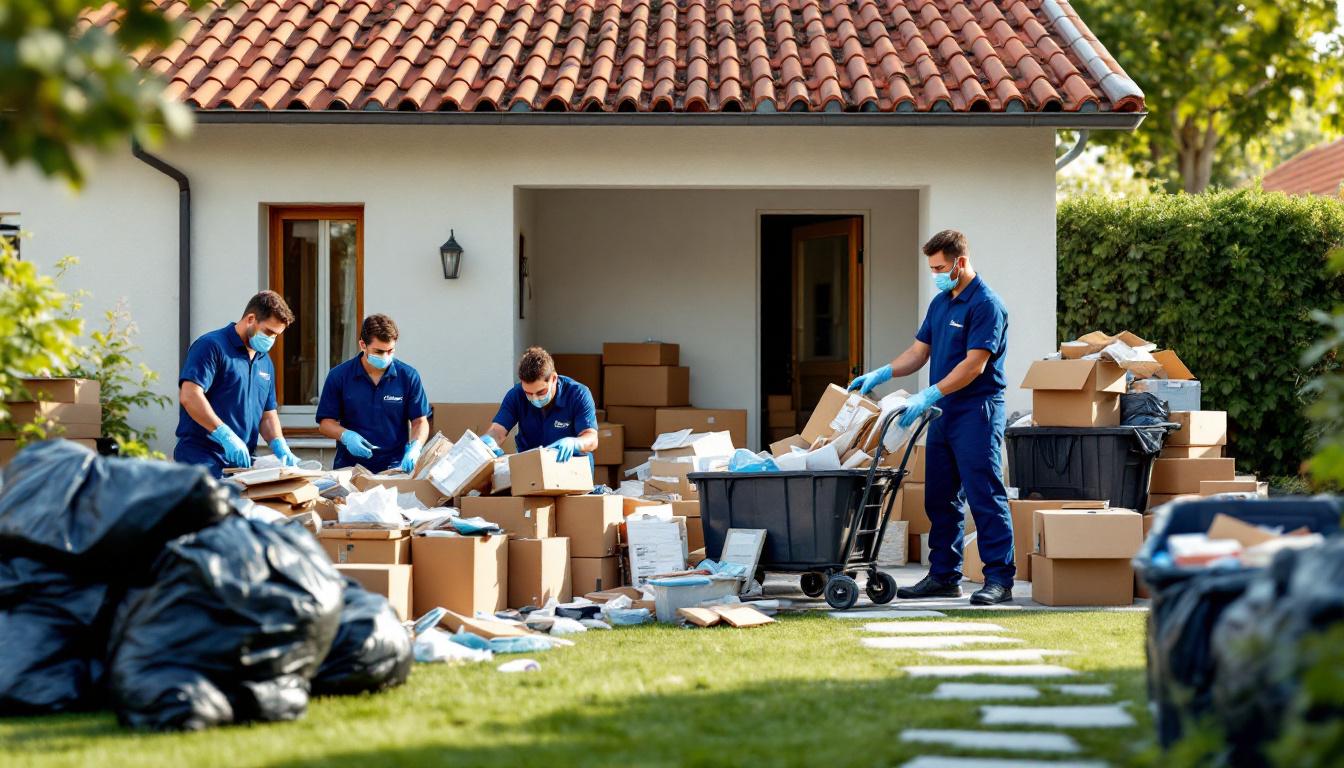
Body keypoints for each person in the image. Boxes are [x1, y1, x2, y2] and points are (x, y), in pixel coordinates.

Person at [849, 229, 1014, 605]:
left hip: (977, 412)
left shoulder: (987, 304)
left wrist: (930, 392)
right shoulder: (941, 302)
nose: (936, 273)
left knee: (984, 495)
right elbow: (918, 352)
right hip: (942, 414)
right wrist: (883, 372)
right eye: (932, 268)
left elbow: (974, 365)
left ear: (960, 261)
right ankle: (943, 575)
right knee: (940, 498)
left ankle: (1000, 580)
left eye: (940, 267)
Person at [174, 290, 301, 477]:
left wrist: (279, 445)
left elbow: (267, 415)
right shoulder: (211, 346)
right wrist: (225, 434)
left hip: (241, 464)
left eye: (276, 336)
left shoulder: (264, 361)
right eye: (268, 332)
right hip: (201, 460)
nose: (271, 340)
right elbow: (189, 395)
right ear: (251, 319)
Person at [316, 314, 431, 473]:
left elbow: (420, 421)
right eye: (379, 351)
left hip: (394, 468)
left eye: (391, 351)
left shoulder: (408, 376)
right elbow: (325, 424)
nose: (386, 356)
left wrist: (415, 447)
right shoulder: (339, 376)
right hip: (350, 468)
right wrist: (347, 436)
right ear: (363, 345)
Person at [484, 346, 598, 463]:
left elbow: (592, 438)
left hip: (570, 464)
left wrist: (575, 443)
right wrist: (488, 442)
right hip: (533, 466)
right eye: (528, 393)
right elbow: (498, 431)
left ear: (553, 378)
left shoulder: (577, 394)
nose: (535, 398)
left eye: (541, 392)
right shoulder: (516, 395)